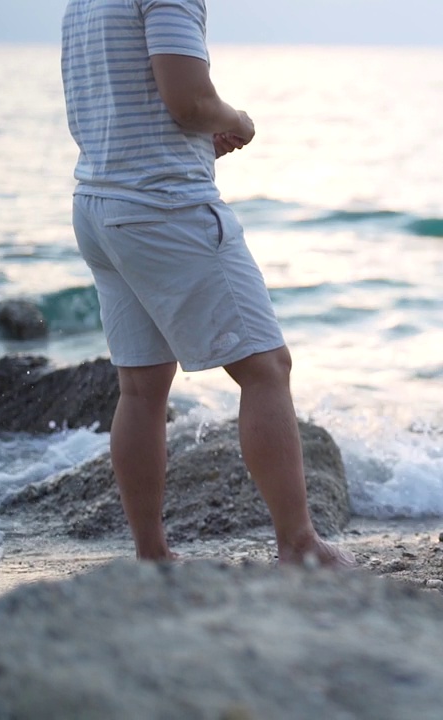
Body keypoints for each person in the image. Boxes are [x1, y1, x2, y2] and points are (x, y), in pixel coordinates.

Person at [61, 0, 353, 567]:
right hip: (162, 205)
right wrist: (236, 120)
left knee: (141, 389)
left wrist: (197, 131)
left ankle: (153, 556)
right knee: (266, 369)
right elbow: (189, 100)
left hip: (99, 202)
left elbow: (133, 101)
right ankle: (299, 546)